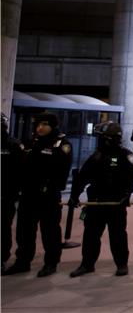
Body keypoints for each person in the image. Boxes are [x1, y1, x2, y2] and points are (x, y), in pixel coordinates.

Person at [3, 113, 71, 277]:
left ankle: (50, 263)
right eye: (38, 124)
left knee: (50, 232)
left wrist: (50, 186)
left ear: (53, 126)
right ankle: (22, 261)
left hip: (48, 196)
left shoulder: (61, 145)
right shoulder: (31, 142)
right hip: (28, 194)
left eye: (44, 125)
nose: (39, 128)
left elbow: (62, 171)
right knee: (24, 231)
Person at [68, 121, 133, 277]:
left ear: (110, 138)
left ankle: (121, 264)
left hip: (116, 204)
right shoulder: (96, 156)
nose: (98, 140)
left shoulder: (126, 156)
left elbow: (132, 179)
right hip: (96, 203)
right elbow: (82, 178)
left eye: (101, 137)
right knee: (91, 236)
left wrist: (126, 194)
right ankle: (87, 264)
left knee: (118, 236)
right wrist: (74, 195)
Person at [1, 113, 25, 272]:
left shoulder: (14, 145)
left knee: (3, 227)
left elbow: (21, 172)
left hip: (6, 195)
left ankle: (2, 257)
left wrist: (15, 192)